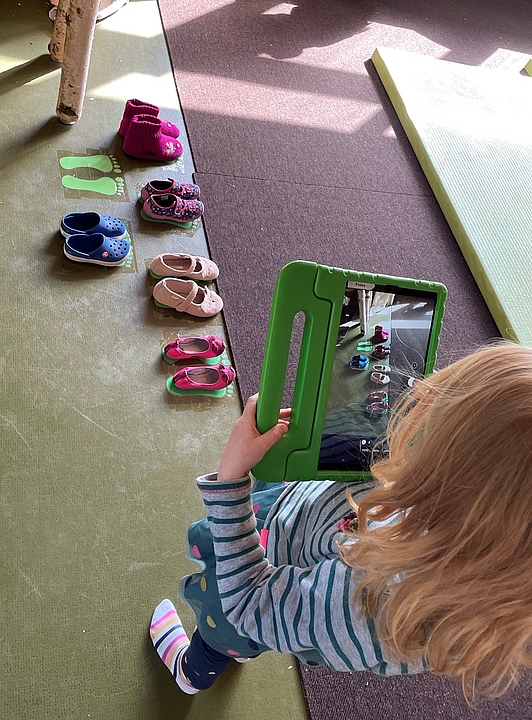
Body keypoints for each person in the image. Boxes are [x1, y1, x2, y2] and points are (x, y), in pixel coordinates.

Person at [150, 342, 532, 703]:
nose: (420, 396)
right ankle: (252, 638)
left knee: (226, 628)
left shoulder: (375, 600)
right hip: (298, 528)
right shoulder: (469, 535)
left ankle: (193, 671)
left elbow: (250, 602)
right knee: (270, 621)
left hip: (253, 584)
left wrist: (231, 477)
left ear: (459, 485)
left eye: (437, 415)